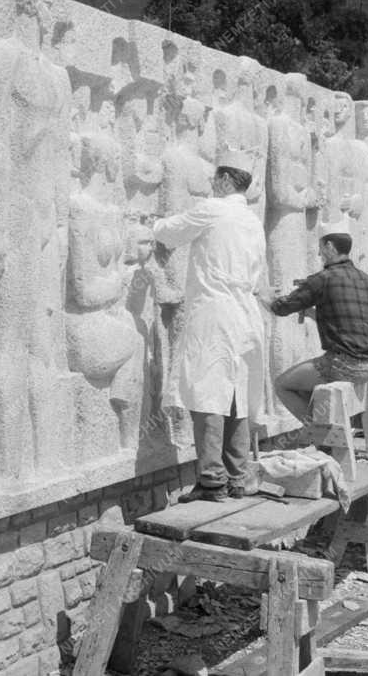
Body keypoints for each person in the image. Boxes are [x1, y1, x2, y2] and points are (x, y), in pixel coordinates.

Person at [153, 149, 267, 502]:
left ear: (225, 180)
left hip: (215, 311)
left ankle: (211, 479)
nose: (210, 184)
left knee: (206, 394)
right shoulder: (252, 221)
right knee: (237, 399)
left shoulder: (213, 209)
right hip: (245, 313)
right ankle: (236, 477)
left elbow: (170, 232)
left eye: (214, 178)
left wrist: (148, 223)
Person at [263, 221, 368, 424]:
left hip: (344, 366)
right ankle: (327, 424)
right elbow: (351, 320)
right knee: (308, 384)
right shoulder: (366, 279)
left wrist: (265, 297)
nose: (319, 255)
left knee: (282, 384)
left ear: (329, 247)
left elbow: (281, 308)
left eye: (321, 249)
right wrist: (314, 313)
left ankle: (321, 432)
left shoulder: (323, 278)